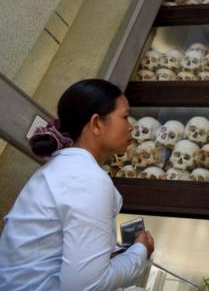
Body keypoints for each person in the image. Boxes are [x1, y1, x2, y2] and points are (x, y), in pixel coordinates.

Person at [0, 79, 154, 290]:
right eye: (125, 117)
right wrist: (140, 251)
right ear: (96, 124)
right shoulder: (87, 179)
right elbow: (87, 286)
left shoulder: (63, 168)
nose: (131, 126)